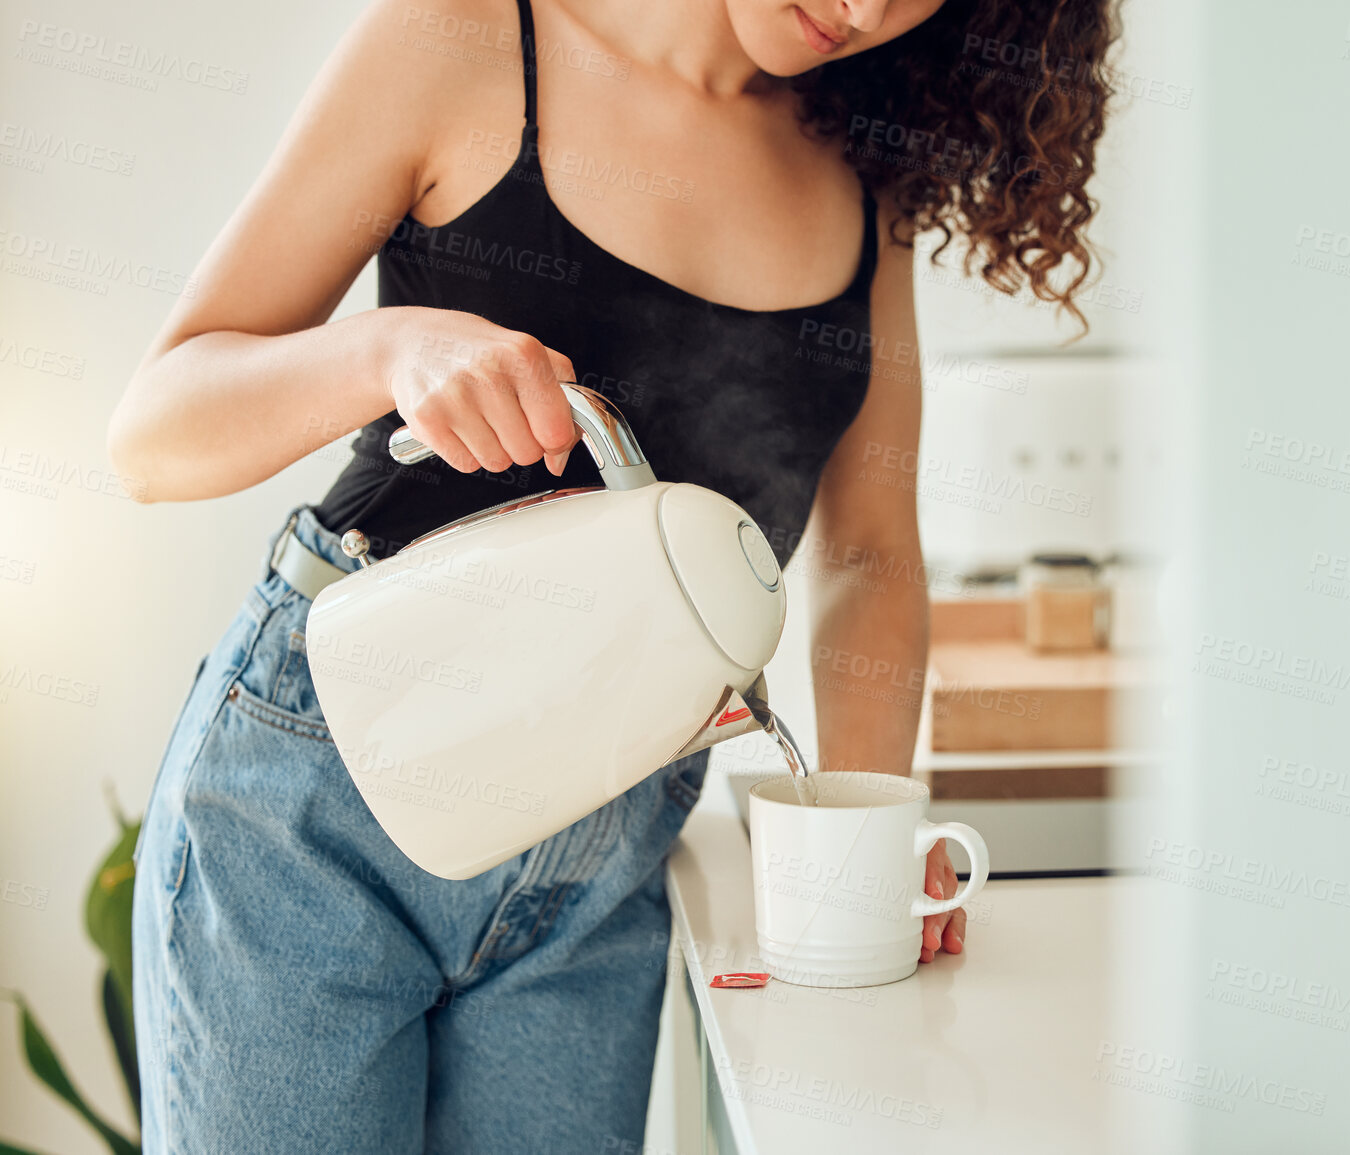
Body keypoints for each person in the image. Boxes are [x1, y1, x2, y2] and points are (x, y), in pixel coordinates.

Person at [107, 0, 1115, 1149]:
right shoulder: (469, 36)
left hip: (603, 859)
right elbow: (153, 435)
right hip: (319, 807)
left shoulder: (862, 173)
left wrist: (867, 836)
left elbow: (870, 551)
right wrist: (391, 349)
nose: (868, 7)